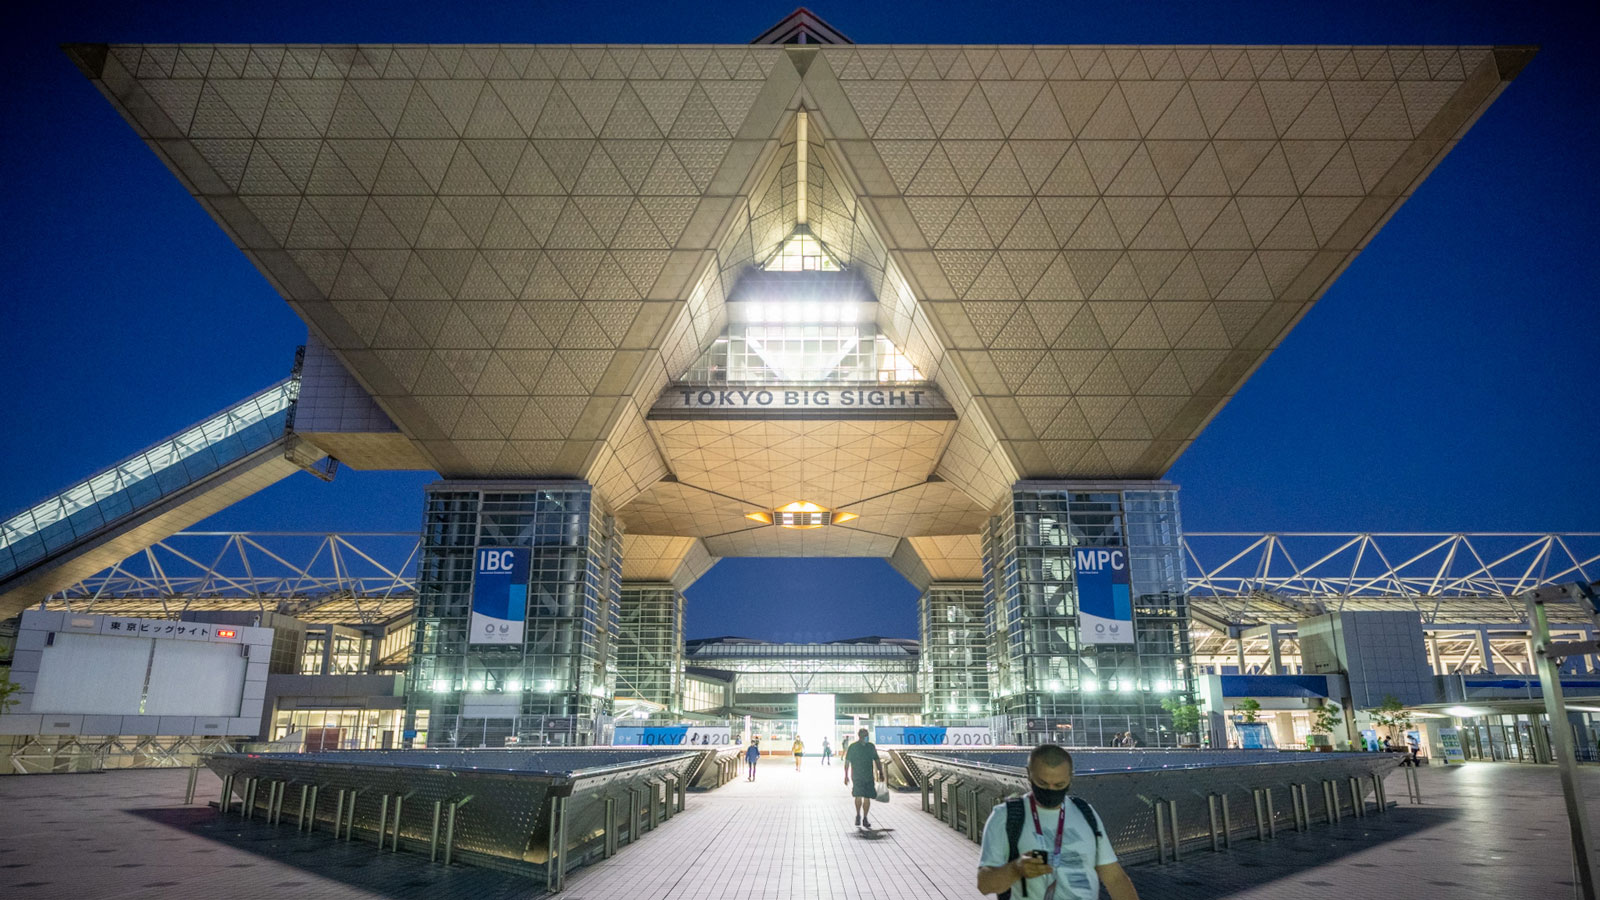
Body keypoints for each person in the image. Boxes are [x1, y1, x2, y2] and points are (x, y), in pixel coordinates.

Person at [977, 745, 1140, 900]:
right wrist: (1015, 869)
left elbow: (1116, 879)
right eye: (1042, 783)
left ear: (1070, 778)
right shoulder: (1006, 816)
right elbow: (984, 884)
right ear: (1029, 774)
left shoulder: (1085, 812)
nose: (1051, 790)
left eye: (1059, 785)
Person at [843, 727, 885, 828]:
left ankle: (862, 816)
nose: (866, 737)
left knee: (864, 796)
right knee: (862, 796)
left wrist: (881, 772)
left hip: (864, 776)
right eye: (865, 736)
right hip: (860, 776)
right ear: (861, 736)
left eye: (867, 736)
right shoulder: (862, 747)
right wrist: (845, 775)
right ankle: (861, 816)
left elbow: (877, 760)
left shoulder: (857, 747)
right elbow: (847, 762)